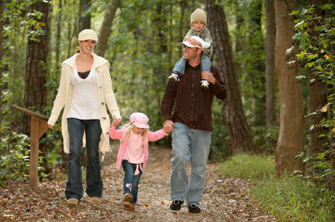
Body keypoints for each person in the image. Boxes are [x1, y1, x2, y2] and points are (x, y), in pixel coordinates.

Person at [47, 29, 122, 208]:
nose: (89, 45)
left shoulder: (101, 65)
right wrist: (53, 117)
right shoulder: (68, 65)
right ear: (79, 43)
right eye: (86, 41)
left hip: (96, 116)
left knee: (93, 154)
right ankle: (73, 194)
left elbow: (108, 91)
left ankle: (95, 193)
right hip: (74, 114)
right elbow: (62, 93)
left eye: (93, 42)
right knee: (74, 152)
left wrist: (115, 113)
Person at [161, 37, 227, 213]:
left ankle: (193, 201)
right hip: (181, 122)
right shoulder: (178, 71)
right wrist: (167, 118)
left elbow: (223, 94)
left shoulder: (212, 70)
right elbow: (168, 96)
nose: (184, 50)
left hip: (203, 125)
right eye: (184, 47)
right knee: (180, 159)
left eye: (188, 48)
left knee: (199, 166)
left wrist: (213, 81)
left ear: (199, 50)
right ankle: (177, 197)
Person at [109, 112, 172, 211]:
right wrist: (113, 126)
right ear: (132, 125)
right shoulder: (126, 132)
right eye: (138, 127)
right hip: (127, 160)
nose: (140, 130)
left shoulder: (145, 134)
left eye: (142, 128)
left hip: (139, 163)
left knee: (135, 184)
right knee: (129, 174)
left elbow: (155, 135)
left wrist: (165, 131)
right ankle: (127, 194)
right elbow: (113, 135)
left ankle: (131, 203)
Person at [168, 8, 213, 89]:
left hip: (205, 52)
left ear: (204, 24)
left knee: (205, 61)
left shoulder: (206, 32)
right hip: (193, 53)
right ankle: (176, 73)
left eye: (201, 23)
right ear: (192, 24)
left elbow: (208, 44)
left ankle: (205, 80)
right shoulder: (191, 31)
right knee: (183, 58)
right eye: (196, 22)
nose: (198, 25)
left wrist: (199, 43)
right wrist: (187, 38)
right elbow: (185, 38)